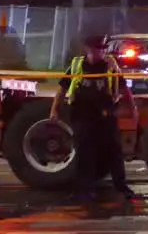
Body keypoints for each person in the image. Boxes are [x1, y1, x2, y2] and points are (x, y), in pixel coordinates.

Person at [49, 35, 138, 199]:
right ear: (88, 49)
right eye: (98, 49)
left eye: (104, 49)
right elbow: (62, 89)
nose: (101, 52)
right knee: (84, 153)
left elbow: (125, 89)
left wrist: (132, 109)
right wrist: (54, 110)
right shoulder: (76, 66)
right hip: (82, 115)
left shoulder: (110, 66)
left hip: (106, 115)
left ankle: (122, 188)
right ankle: (85, 190)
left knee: (114, 152)